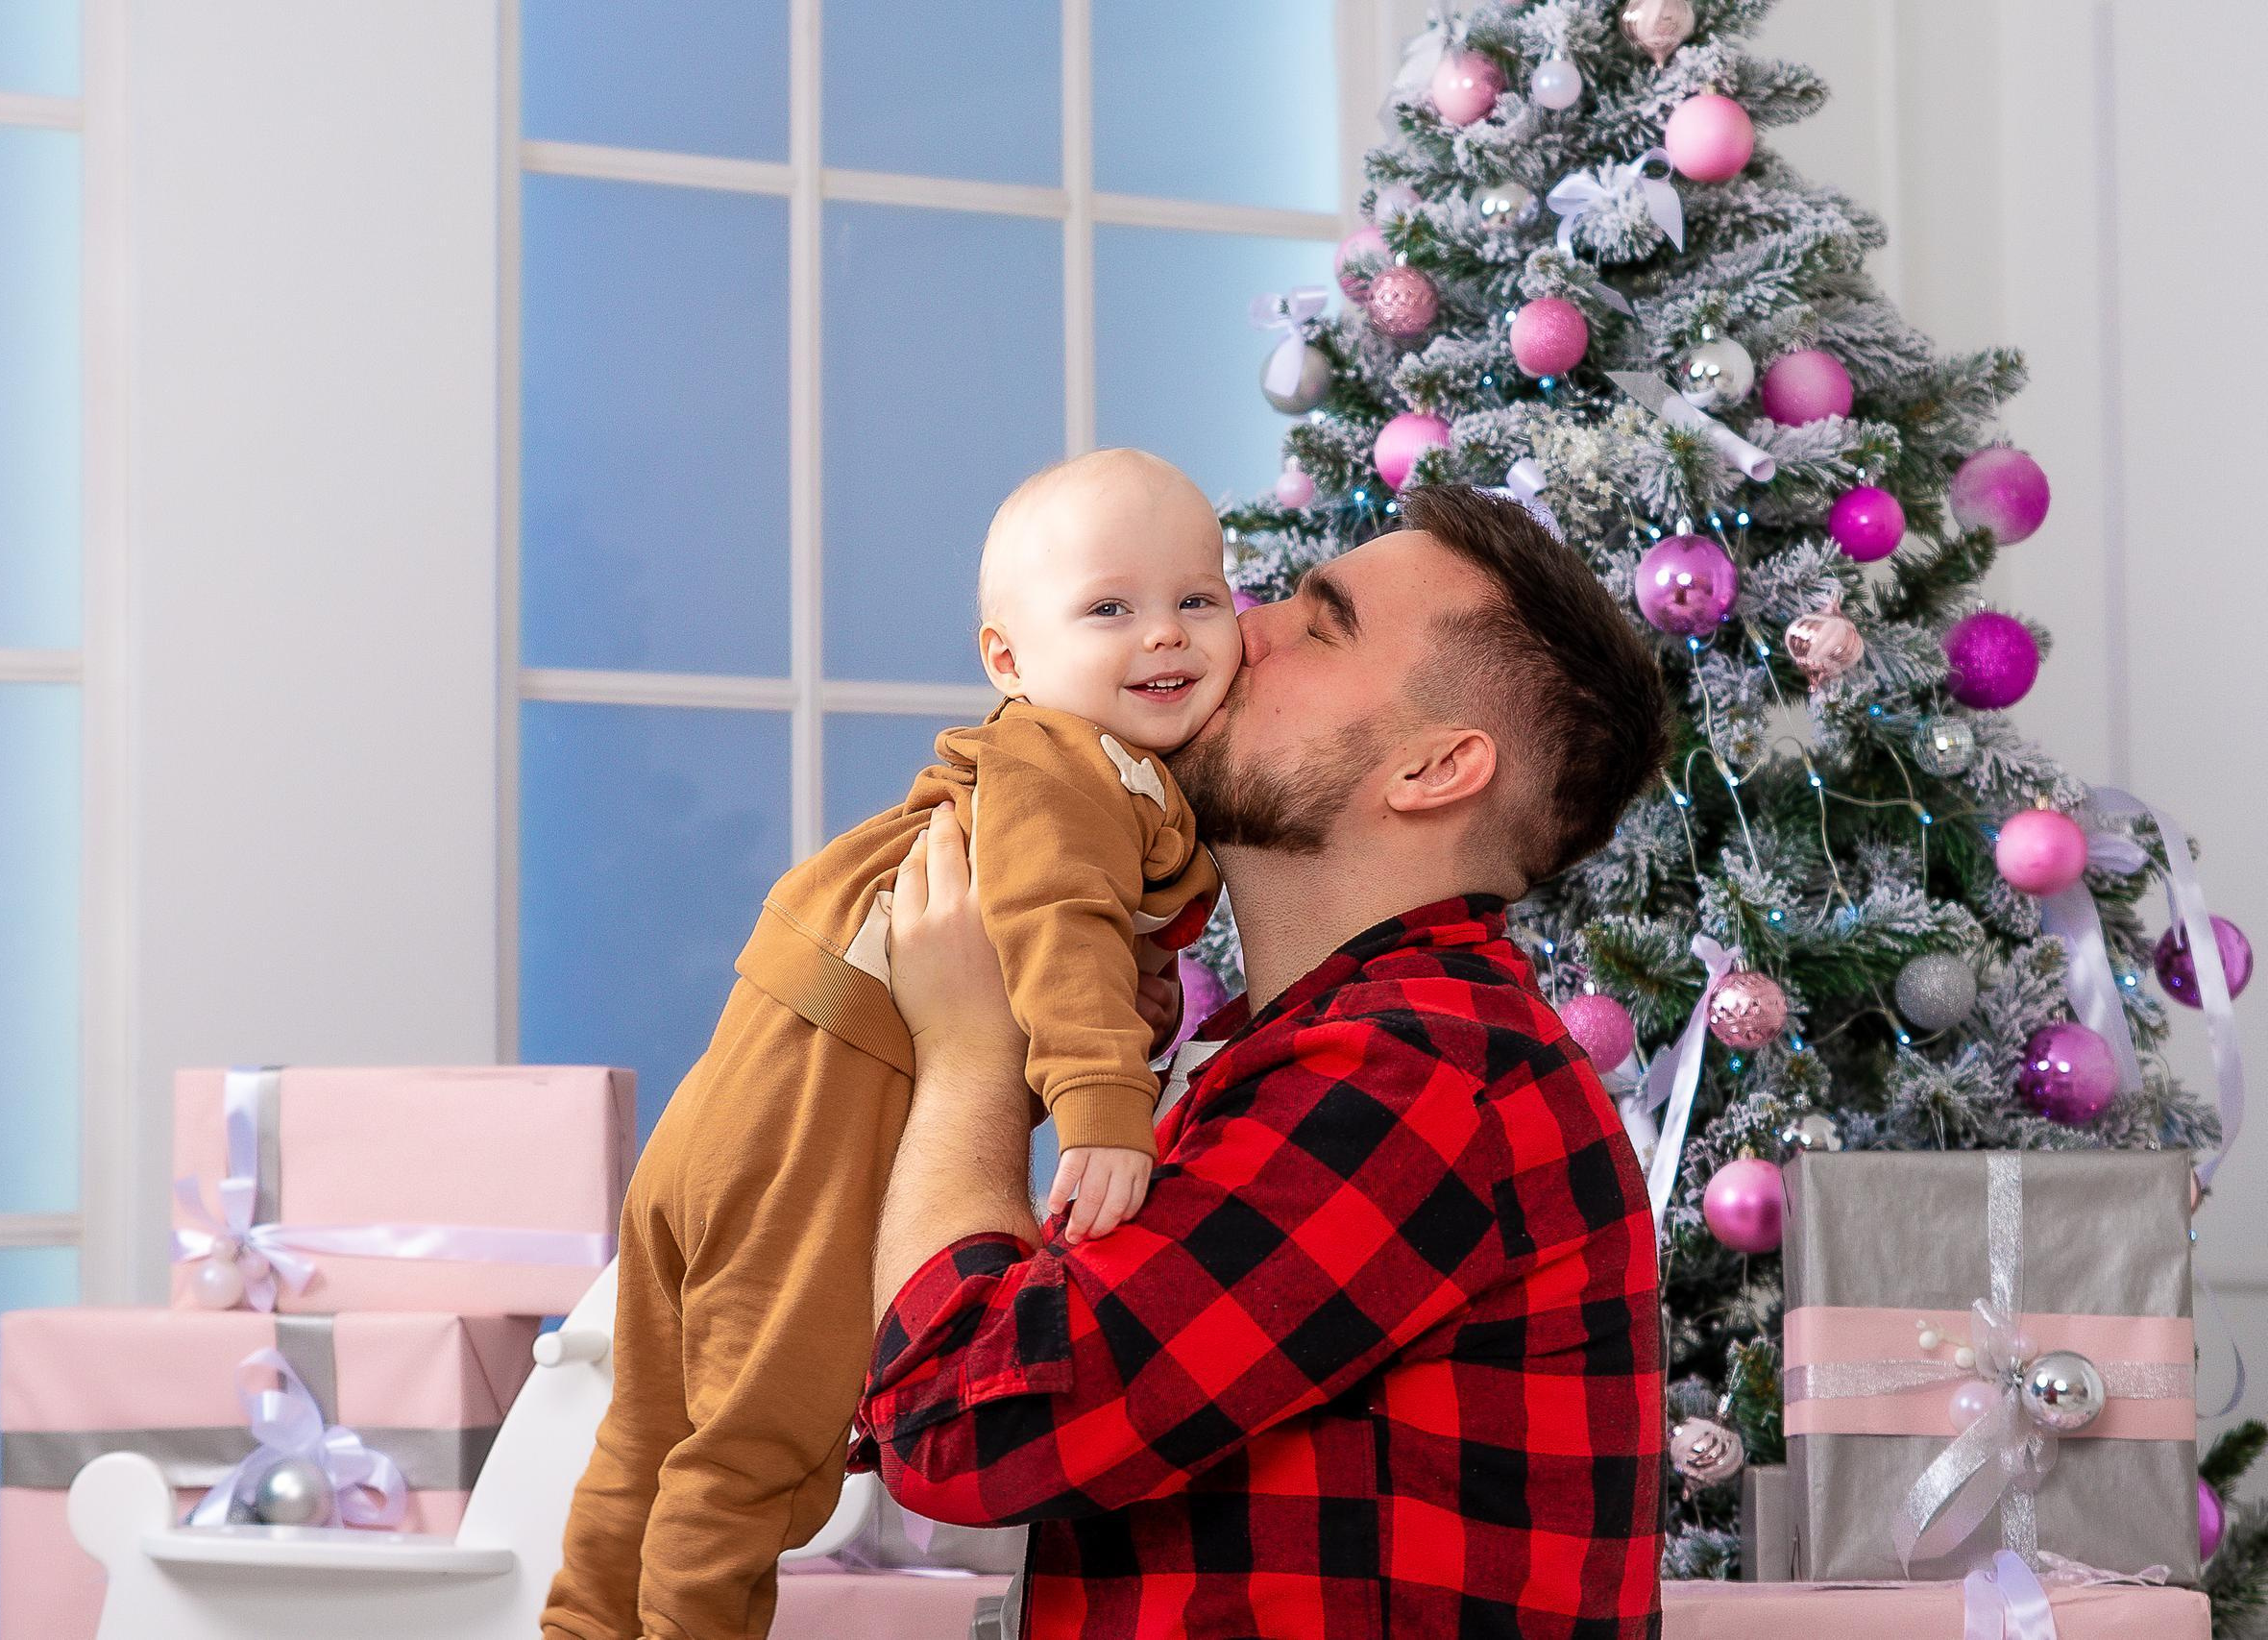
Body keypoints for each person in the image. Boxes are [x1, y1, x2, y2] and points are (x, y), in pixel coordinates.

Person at [859, 484, 1674, 1639]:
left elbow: (964, 1427)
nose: (1240, 626)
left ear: (1435, 768)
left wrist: (973, 1058)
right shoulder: (1298, 1061)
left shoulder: (1409, 1081)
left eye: (1319, 621)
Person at [543, 449, 1236, 1640]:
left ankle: (586, 1625)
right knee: (766, 1444)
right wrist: (1102, 1103)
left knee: (651, 1432)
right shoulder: (1066, 761)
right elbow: (1053, 924)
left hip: (737, 1102)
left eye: (1200, 600)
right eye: (1110, 608)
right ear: (1009, 660)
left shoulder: (1088, 770)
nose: (1164, 637)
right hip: (814, 1120)